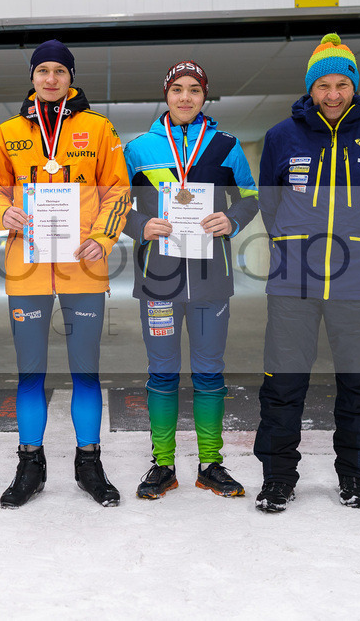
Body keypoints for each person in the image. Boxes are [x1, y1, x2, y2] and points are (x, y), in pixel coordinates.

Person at [253, 33, 360, 512]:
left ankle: (355, 476)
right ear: (310, 88)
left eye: (342, 84)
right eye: (323, 85)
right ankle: (278, 478)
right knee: (283, 384)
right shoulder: (281, 136)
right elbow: (270, 204)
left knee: (358, 384)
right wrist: (291, 243)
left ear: (353, 86)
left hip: (359, 281)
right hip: (293, 282)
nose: (333, 94)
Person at [0, 39, 130, 508]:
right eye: (42, 70)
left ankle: (89, 463)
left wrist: (104, 237)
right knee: (30, 373)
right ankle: (31, 464)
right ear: (32, 76)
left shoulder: (98, 128)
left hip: (84, 266)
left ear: (71, 77)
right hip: (26, 269)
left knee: (86, 371)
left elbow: (118, 191)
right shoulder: (7, 132)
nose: (51, 78)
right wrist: (1, 212)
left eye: (59, 71)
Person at [122, 61, 259, 500]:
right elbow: (114, 206)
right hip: (157, 279)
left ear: (204, 96)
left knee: (209, 372)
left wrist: (232, 220)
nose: (185, 97)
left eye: (194, 90)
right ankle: (163, 464)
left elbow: (251, 197)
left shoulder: (226, 146)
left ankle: (210, 464)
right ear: (166, 94)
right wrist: (140, 224)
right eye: (177, 89)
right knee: (162, 373)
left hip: (210, 279)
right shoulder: (138, 149)